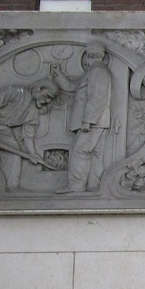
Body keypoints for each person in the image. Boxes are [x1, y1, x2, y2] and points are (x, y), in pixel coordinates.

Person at [52, 42, 113, 193]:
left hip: (93, 122)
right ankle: (93, 186)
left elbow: (98, 97)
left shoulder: (98, 71)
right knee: (96, 154)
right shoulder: (94, 71)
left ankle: (75, 187)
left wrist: (88, 120)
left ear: (88, 56)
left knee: (80, 152)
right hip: (98, 121)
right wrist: (59, 76)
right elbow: (73, 87)